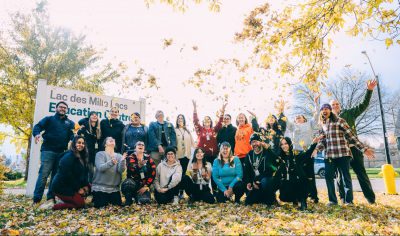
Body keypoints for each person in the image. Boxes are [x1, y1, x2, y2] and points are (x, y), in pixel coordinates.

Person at [330, 79, 378, 204]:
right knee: (341, 176)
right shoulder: (329, 121)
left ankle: (371, 199)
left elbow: (363, 105)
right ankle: (343, 198)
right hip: (340, 152)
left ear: (339, 106)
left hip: (354, 148)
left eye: (337, 104)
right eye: (332, 105)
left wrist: (369, 91)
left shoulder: (349, 113)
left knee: (361, 174)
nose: (335, 106)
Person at [318, 104, 374, 206]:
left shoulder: (340, 121)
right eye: (322, 109)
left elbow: (351, 136)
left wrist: (363, 149)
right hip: (329, 155)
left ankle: (349, 201)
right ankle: (332, 201)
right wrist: (316, 149)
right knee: (328, 176)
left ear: (330, 111)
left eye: (326, 109)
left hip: (342, 153)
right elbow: (322, 141)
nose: (324, 111)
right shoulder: (323, 124)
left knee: (345, 177)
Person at [32, 101, 75, 204]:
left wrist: (75, 139)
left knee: (55, 177)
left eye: (64, 108)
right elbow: (37, 127)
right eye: (61, 107)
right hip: (48, 151)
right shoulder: (49, 119)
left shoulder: (70, 123)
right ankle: (36, 199)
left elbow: (72, 136)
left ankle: (51, 198)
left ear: (66, 110)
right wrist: (37, 134)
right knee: (43, 175)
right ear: (56, 108)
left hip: (61, 153)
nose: (62, 109)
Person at [285, 95, 320, 203]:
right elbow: (285, 120)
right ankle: (298, 195)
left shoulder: (309, 124)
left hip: (308, 152)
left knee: (310, 174)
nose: (297, 118)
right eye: (296, 117)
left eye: (299, 116)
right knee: (298, 175)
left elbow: (316, 116)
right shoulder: (293, 126)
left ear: (304, 119)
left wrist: (316, 103)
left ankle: (313, 196)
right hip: (296, 153)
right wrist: (281, 110)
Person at [277, 136, 322, 210]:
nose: (284, 146)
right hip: (288, 182)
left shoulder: (295, 155)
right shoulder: (280, 157)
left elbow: (307, 154)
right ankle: (294, 199)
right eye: (282, 144)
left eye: (286, 143)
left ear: (290, 144)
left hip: (300, 181)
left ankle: (303, 202)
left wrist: (313, 144)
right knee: (283, 197)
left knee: (301, 179)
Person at [51, 136, 90, 210]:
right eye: (78, 142)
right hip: (61, 186)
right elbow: (67, 175)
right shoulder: (69, 156)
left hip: (72, 185)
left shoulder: (83, 156)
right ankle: (55, 205)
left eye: (83, 143)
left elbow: (84, 173)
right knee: (80, 204)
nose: (81, 145)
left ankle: (75, 199)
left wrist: (85, 186)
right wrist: (78, 188)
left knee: (90, 187)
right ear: (74, 143)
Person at [243, 133, 281, 206]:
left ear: (261, 142)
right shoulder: (249, 155)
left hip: (266, 180)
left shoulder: (267, 152)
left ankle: (271, 198)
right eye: (252, 142)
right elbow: (246, 171)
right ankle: (263, 197)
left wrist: (269, 149)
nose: (254, 144)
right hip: (255, 183)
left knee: (265, 183)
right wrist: (249, 182)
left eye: (256, 141)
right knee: (248, 201)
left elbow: (277, 162)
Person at [92, 137, 127, 208]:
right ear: (105, 144)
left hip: (114, 189)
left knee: (117, 207)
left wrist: (123, 161)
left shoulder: (119, 156)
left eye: (113, 139)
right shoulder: (100, 154)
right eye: (109, 139)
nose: (112, 139)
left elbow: (121, 170)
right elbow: (100, 168)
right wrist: (111, 162)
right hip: (100, 188)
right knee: (101, 207)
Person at [121, 141, 156, 205]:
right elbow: (131, 169)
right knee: (128, 183)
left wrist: (146, 186)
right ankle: (129, 200)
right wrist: (138, 166)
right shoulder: (131, 157)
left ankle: (138, 197)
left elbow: (153, 173)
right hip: (132, 183)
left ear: (144, 148)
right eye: (139, 144)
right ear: (135, 148)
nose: (141, 146)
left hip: (143, 185)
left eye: (143, 145)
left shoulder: (148, 158)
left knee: (144, 202)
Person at [77, 111, 101, 182]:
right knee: (86, 170)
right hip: (86, 151)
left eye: (96, 115)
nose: (94, 116)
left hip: (95, 152)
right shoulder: (85, 125)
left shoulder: (99, 127)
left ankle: (90, 186)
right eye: (92, 115)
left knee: (93, 172)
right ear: (89, 117)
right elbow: (79, 125)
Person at [175, 114, 195, 198]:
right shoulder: (174, 130)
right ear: (177, 120)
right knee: (179, 173)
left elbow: (193, 143)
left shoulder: (187, 130)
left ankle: (183, 191)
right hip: (179, 155)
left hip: (187, 155)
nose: (180, 120)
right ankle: (179, 191)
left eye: (182, 118)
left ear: (184, 120)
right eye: (179, 118)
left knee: (185, 174)